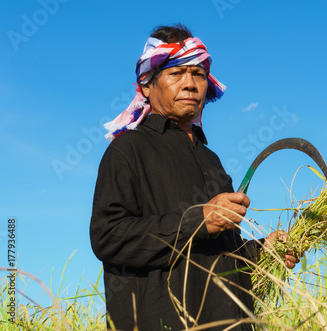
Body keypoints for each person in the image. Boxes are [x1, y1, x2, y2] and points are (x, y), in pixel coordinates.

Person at [90, 24, 298, 331]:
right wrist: (199, 219)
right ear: (147, 85)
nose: (190, 84)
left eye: (198, 74)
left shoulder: (210, 161)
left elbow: (222, 256)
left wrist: (261, 251)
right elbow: (109, 237)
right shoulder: (128, 149)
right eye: (175, 73)